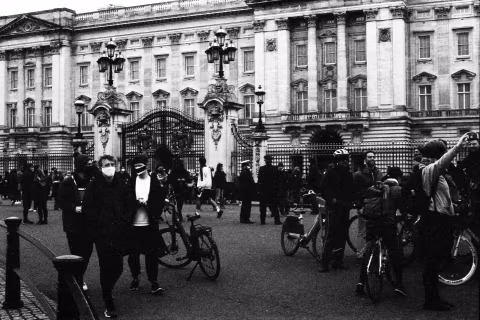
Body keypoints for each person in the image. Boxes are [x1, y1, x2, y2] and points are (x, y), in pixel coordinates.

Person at [416, 134, 469, 311]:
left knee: (436, 262)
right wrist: (458, 146)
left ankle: (435, 298)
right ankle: (430, 301)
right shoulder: (429, 169)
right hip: (434, 221)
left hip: (441, 219)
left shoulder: (437, 172)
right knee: (431, 263)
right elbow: (442, 163)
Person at [82, 155, 136, 318]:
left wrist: (125, 220)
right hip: (102, 233)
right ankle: (108, 302)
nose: (110, 167)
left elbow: (129, 204)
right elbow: (87, 209)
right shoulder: (93, 185)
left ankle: (108, 289)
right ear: (100, 167)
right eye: (107, 165)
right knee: (106, 267)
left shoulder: (121, 183)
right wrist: (99, 224)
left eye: (112, 164)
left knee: (118, 267)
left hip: (119, 231)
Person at [355, 166, 407, 297]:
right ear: (399, 178)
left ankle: (360, 283)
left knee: (368, 250)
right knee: (395, 253)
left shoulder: (376, 187)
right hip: (387, 225)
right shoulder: (397, 190)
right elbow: (403, 209)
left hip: (372, 222)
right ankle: (399, 285)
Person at [127, 155, 166, 295]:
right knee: (133, 255)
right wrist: (136, 204)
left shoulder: (153, 181)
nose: (138, 168)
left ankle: (154, 282)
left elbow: (159, 200)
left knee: (152, 254)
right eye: (135, 165)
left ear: (146, 165)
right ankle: (135, 277)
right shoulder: (131, 182)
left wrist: (148, 205)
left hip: (149, 223)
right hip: (134, 223)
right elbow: (125, 201)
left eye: (140, 165)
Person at [57, 154, 96, 292]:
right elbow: (60, 201)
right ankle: (78, 279)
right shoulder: (68, 181)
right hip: (73, 223)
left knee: (88, 251)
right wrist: (74, 207)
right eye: (88, 163)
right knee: (76, 252)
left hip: (88, 222)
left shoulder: (92, 180)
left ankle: (78, 276)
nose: (90, 165)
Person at [319, 149, 355, 272]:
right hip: (334, 208)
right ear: (337, 161)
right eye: (342, 159)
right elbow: (324, 189)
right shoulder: (330, 172)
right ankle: (324, 262)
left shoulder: (348, 173)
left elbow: (351, 190)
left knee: (342, 234)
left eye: (346, 159)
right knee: (331, 234)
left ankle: (338, 260)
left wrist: (352, 201)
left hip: (344, 206)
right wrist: (331, 200)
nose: (345, 161)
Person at [352, 151, 384, 260]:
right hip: (365, 204)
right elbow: (355, 192)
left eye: (373, 157)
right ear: (365, 159)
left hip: (378, 204)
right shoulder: (358, 174)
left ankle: (371, 252)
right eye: (370, 157)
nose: (372, 159)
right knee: (363, 230)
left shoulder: (378, 172)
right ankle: (360, 254)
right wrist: (359, 206)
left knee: (375, 229)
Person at [258, 155, 281, 225]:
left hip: (264, 191)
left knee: (263, 207)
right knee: (274, 207)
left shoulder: (262, 169)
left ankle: (262, 221)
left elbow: (260, 180)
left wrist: (260, 190)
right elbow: (278, 180)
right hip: (272, 190)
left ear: (265, 161)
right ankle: (277, 220)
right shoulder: (275, 169)